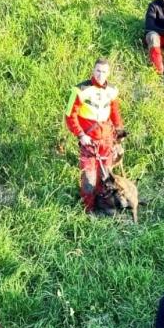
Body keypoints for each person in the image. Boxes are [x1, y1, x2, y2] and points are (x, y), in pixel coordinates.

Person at [64, 58, 124, 214]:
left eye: (104, 71)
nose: (100, 75)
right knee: (89, 179)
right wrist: (81, 135)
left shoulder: (112, 91)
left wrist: (119, 136)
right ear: (93, 70)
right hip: (89, 141)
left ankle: (103, 205)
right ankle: (88, 209)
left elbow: (115, 114)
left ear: (108, 73)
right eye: (98, 70)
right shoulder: (80, 90)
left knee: (106, 176)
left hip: (107, 140)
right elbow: (70, 116)